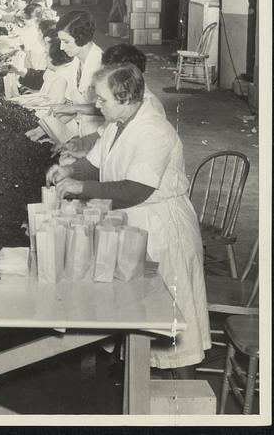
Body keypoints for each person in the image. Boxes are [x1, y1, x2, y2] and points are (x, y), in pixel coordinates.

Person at [46, 64, 211, 377]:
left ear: (125, 98)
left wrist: (80, 187)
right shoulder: (117, 123)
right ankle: (141, 388)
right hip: (132, 223)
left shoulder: (155, 131)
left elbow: (136, 189)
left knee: (175, 324)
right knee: (139, 313)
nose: (97, 105)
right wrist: (71, 171)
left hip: (162, 227)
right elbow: (97, 164)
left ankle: (186, 403)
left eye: (103, 99)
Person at [59, 43, 165, 160]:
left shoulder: (150, 111)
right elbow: (105, 133)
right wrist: (79, 143)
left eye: (107, 74)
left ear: (126, 76)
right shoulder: (120, 100)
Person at [51, 10, 104, 136]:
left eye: (66, 41)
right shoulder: (76, 62)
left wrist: (73, 108)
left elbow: (109, 109)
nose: (61, 47)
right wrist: (43, 129)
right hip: (84, 132)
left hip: (101, 134)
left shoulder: (102, 65)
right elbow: (73, 107)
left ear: (81, 38)